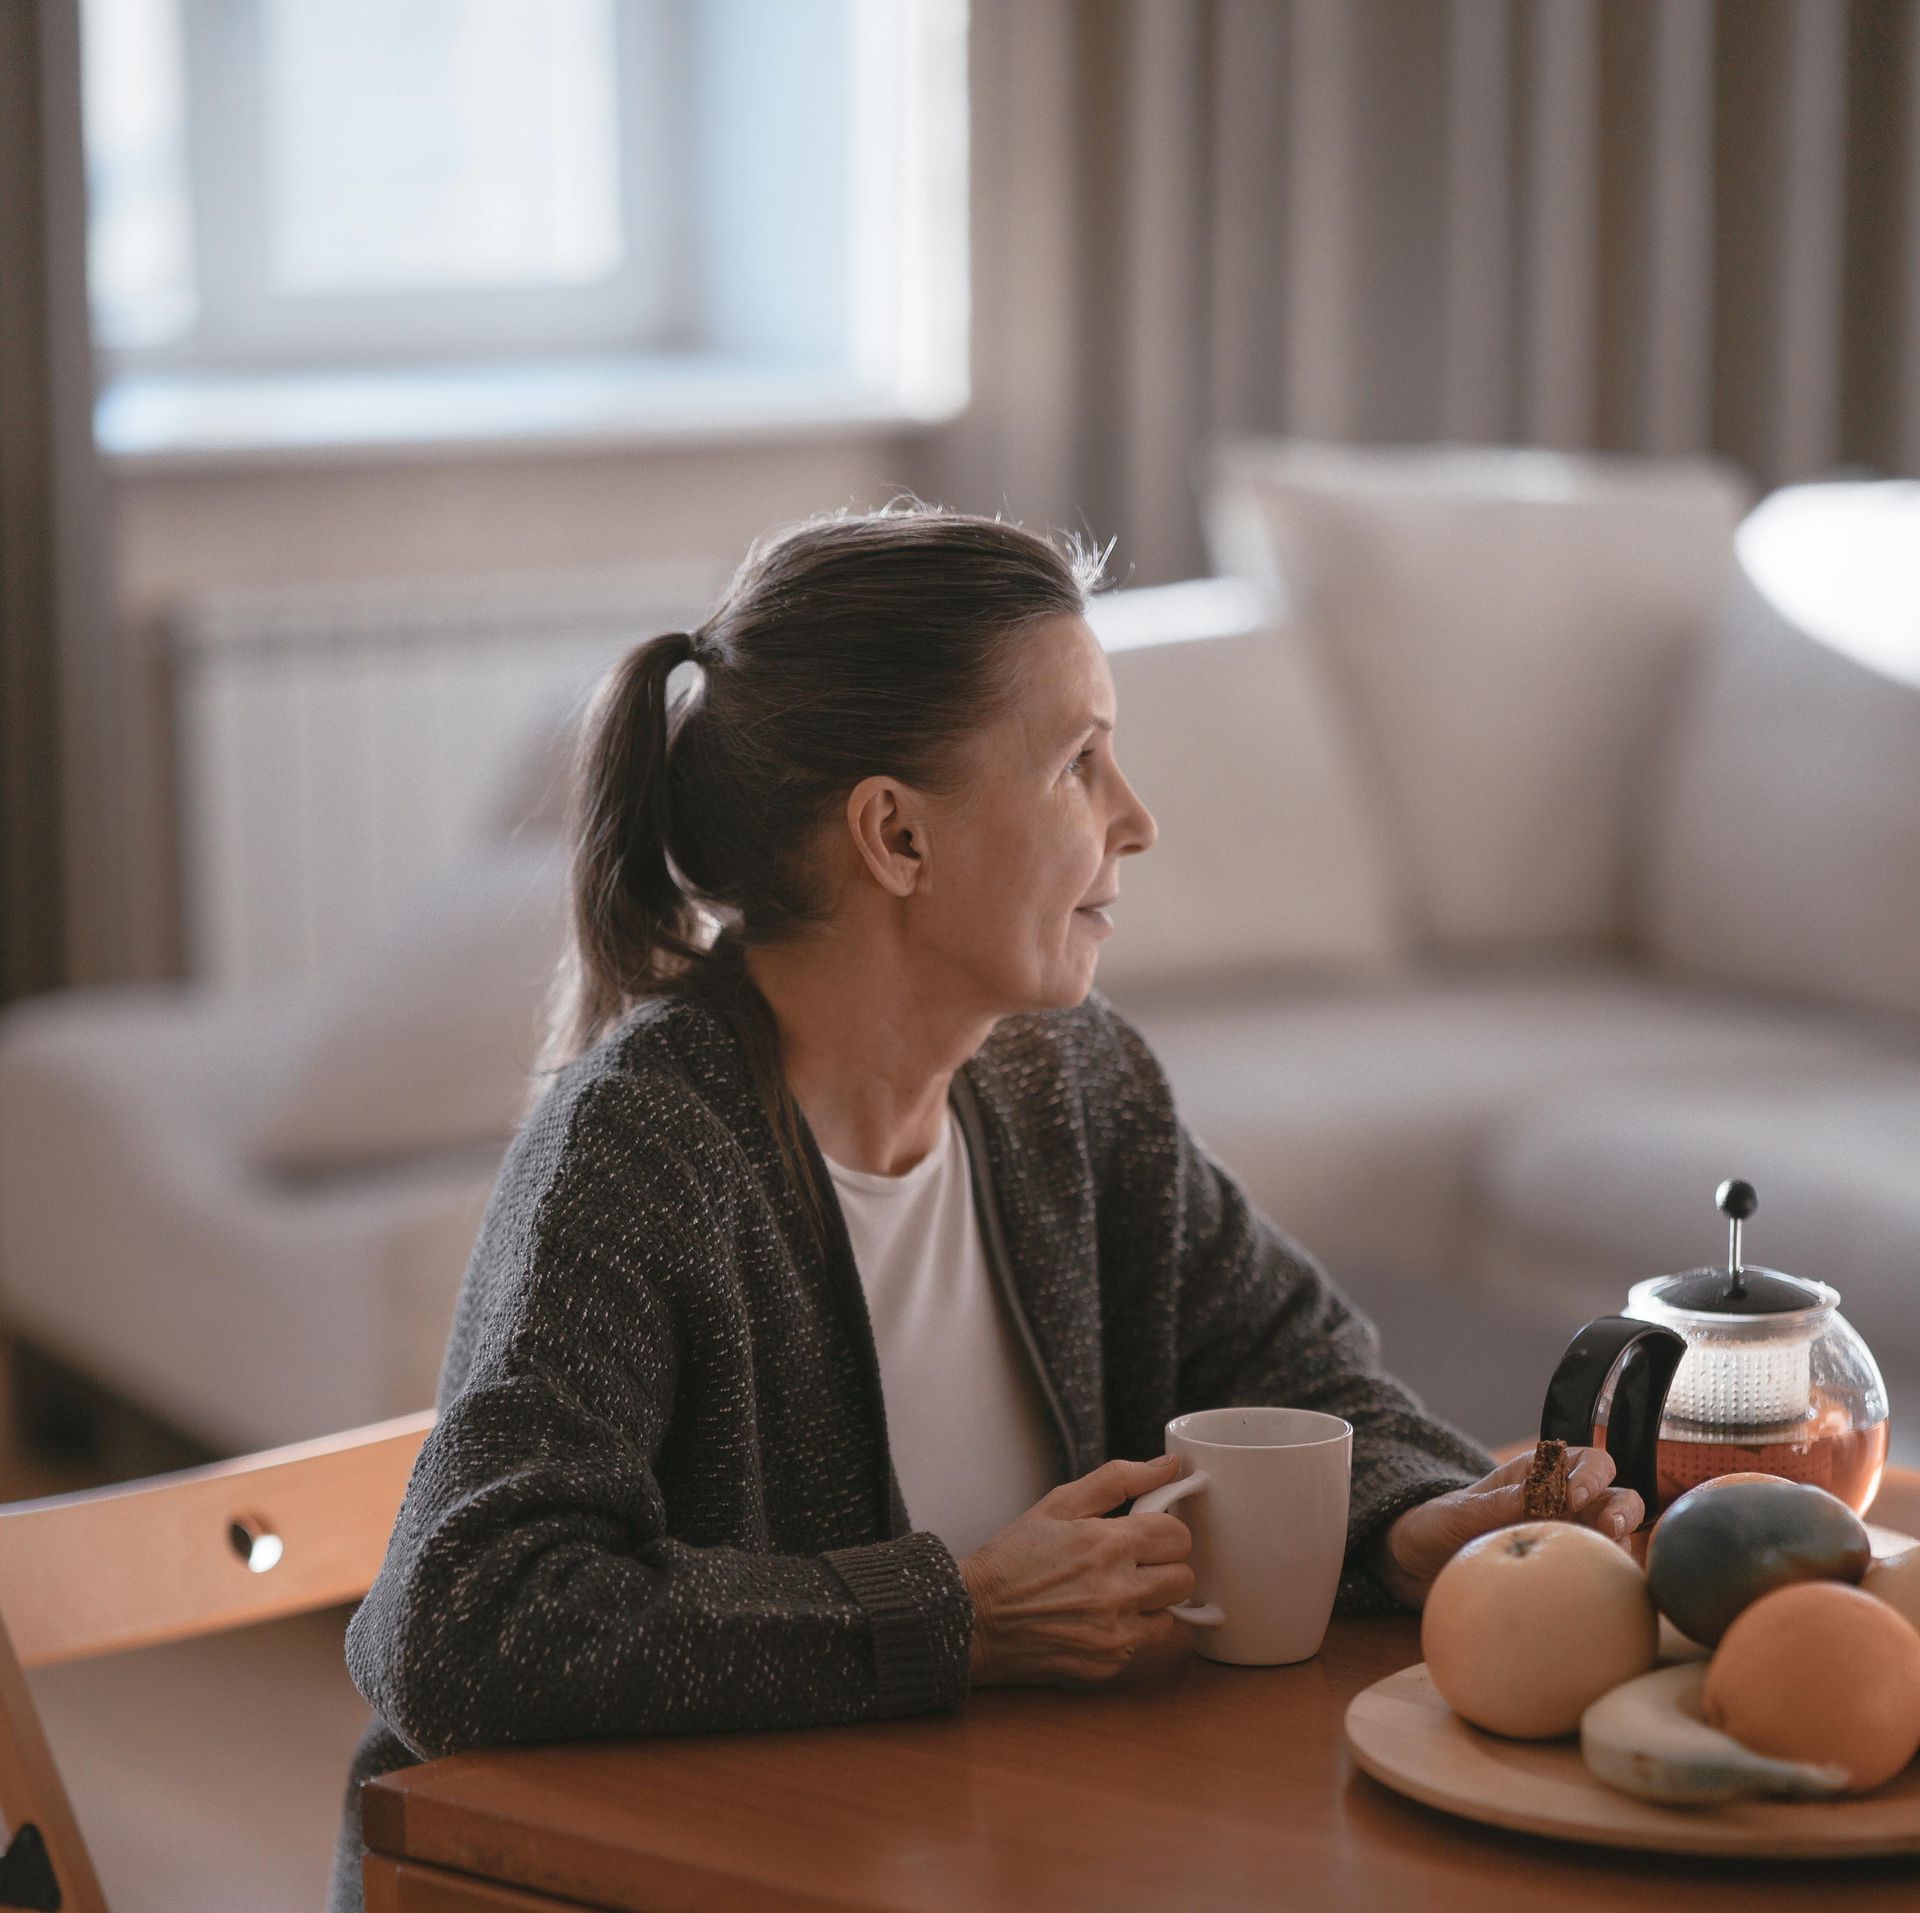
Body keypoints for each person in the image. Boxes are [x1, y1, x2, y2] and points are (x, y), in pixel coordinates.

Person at [327, 504, 1641, 1908]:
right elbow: (462, 1623)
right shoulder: (643, 1148)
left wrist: (1410, 1518)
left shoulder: (1069, 1086)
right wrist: (954, 1615)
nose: (1136, 817)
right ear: (896, 835)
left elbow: (1306, 1368)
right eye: (1080, 763)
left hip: (972, 1856)